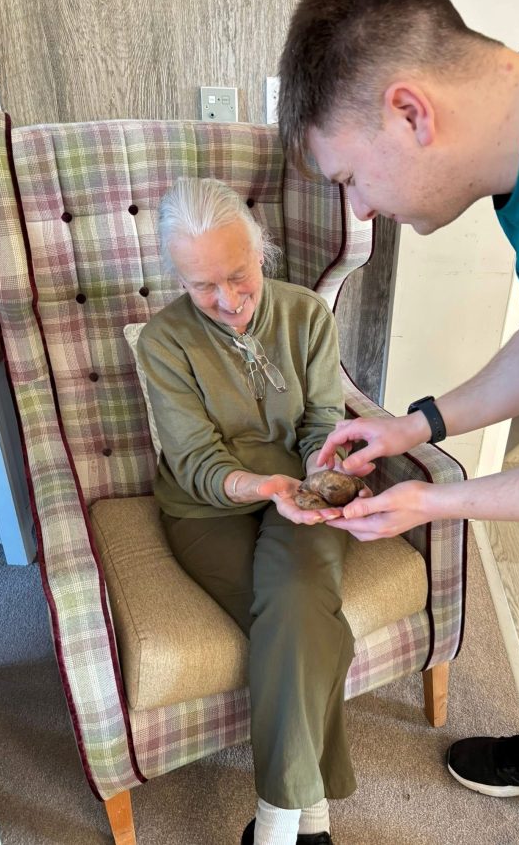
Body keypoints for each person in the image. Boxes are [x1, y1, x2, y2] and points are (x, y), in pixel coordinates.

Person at [277, 0, 519, 844]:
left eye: (350, 176)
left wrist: (437, 498)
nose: (357, 208)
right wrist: (417, 426)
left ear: (410, 112)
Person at [137, 177, 366, 845]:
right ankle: (311, 819)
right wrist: (265, 489)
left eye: (239, 275)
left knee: (295, 604)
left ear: (259, 251)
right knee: (307, 625)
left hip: (302, 493)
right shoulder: (162, 342)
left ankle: (274, 825)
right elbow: (199, 462)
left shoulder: (306, 315)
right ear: (177, 276)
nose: (228, 301)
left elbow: (324, 420)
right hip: (207, 511)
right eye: (203, 285)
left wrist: (323, 479)